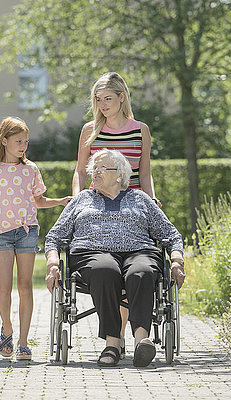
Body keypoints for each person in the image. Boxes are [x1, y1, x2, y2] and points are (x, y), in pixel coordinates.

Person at [46, 149, 185, 367]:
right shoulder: (82, 199)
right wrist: (53, 263)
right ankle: (112, 343)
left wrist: (177, 261)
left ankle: (142, 341)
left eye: (102, 168)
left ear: (120, 174)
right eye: (94, 168)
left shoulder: (140, 199)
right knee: (105, 270)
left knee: (143, 271)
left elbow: (170, 234)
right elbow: (54, 236)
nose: (95, 172)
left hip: (139, 251)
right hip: (92, 253)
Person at [72, 72, 161, 357]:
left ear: (122, 97)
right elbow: (80, 170)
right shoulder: (90, 131)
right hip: (99, 206)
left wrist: (151, 200)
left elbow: (144, 173)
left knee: (134, 264)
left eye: (108, 99)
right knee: (107, 265)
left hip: (133, 207)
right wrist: (77, 200)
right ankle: (116, 338)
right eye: (98, 100)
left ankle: (123, 338)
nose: (102, 105)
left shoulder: (140, 130)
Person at [0, 116, 71, 361]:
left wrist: (59, 201)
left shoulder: (31, 170)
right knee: (4, 289)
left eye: (26, 142)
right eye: (18, 141)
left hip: (27, 231)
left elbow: (38, 201)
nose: (23, 146)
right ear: (4, 141)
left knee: (25, 286)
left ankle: (23, 342)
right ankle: (7, 328)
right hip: (0, 235)